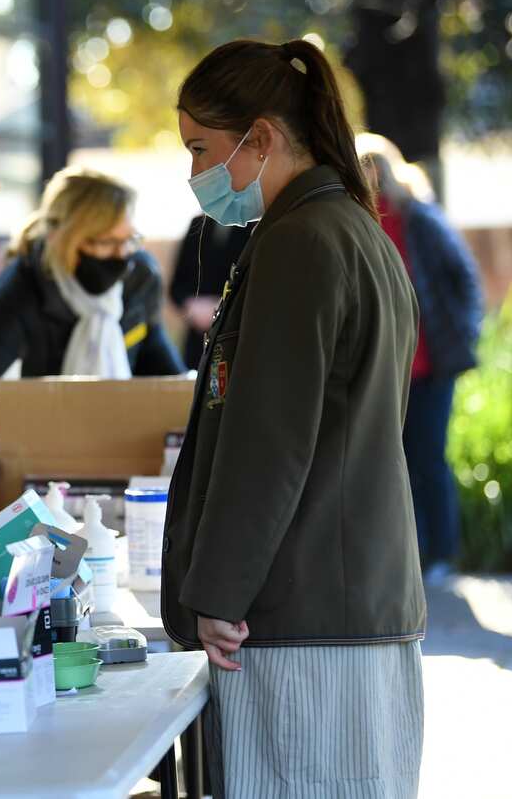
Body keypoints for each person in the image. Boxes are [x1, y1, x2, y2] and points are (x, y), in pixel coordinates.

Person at [163, 39, 425, 797]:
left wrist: (217, 592)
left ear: (262, 137)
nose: (195, 174)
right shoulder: (350, 230)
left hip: (298, 615)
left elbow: (268, 442)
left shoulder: (301, 244)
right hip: (348, 604)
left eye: (202, 149)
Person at [0, 166, 184, 453]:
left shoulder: (139, 278)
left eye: (129, 240)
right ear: (65, 237)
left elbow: (161, 369)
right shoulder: (23, 289)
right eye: (107, 242)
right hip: (36, 455)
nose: (122, 256)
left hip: (118, 449)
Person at [357, 133, 483, 582]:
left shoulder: (420, 219)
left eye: (373, 166)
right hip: (387, 370)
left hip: (431, 365)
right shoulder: (358, 221)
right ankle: (408, 555)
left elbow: (465, 279)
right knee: (393, 462)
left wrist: (464, 333)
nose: (369, 175)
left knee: (429, 458)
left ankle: (442, 556)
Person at [167, 215, 251, 369]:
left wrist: (220, 307)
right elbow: (177, 285)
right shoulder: (198, 223)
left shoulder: (255, 227)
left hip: (236, 336)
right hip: (196, 340)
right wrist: (190, 306)